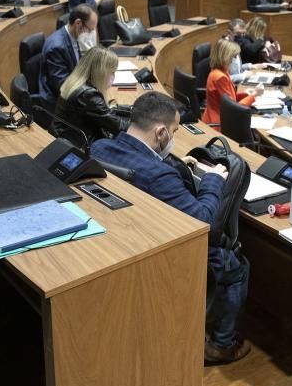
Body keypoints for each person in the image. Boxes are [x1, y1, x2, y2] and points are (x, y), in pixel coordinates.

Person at [90, 92, 250, 363]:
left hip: (124, 238)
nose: (174, 137)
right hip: (163, 253)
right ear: (161, 132)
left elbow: (140, 165)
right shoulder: (158, 175)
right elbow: (204, 223)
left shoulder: (100, 146)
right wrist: (213, 180)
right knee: (235, 264)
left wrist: (175, 164)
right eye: (174, 131)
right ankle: (222, 345)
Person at [53, 46, 127, 147]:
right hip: (76, 146)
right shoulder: (88, 95)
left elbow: (106, 112)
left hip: (64, 137)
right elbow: (117, 127)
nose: (114, 76)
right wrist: (141, 123)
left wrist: (131, 110)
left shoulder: (76, 81)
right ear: (101, 72)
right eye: (112, 72)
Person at [39, 4, 98, 110]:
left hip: (73, 92)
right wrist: (91, 93)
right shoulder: (56, 47)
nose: (91, 34)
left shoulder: (76, 36)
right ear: (78, 23)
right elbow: (63, 85)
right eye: (90, 30)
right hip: (58, 103)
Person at [203, 39, 257, 125]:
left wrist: (245, 94)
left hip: (221, 116)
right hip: (221, 123)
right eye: (233, 57)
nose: (233, 61)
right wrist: (253, 96)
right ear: (225, 57)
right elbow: (233, 109)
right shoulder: (220, 77)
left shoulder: (220, 71)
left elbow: (229, 99)